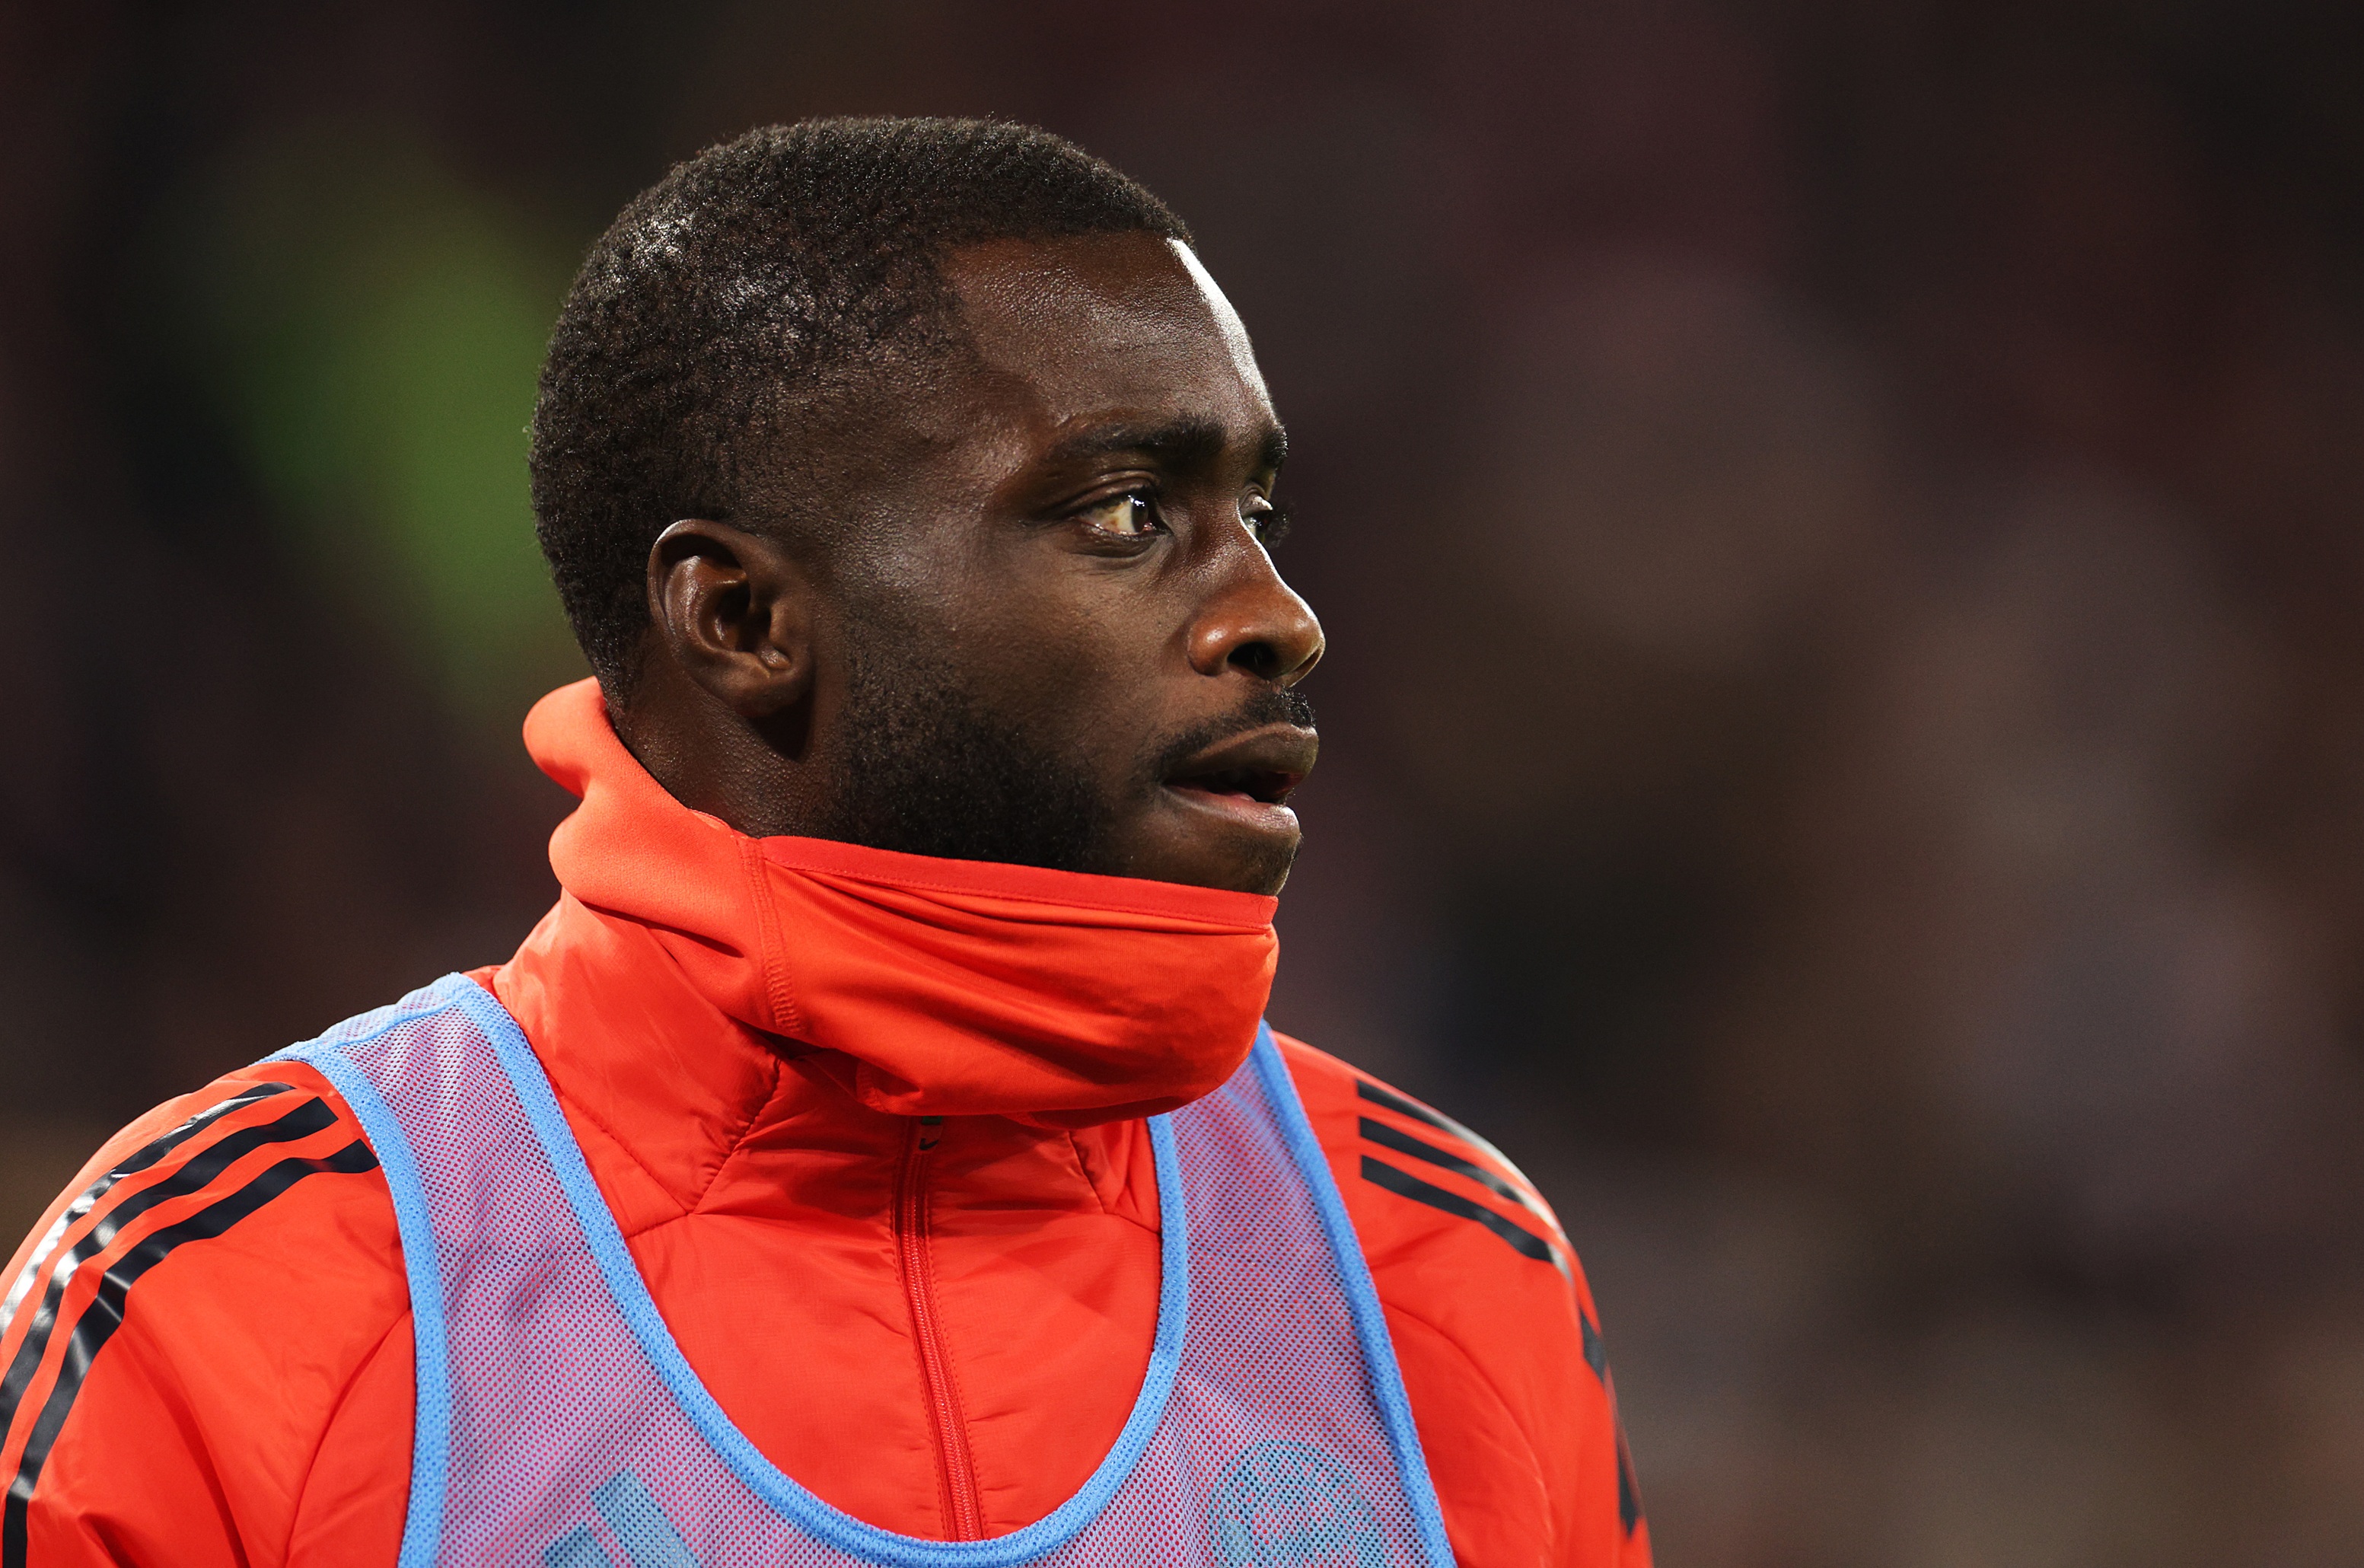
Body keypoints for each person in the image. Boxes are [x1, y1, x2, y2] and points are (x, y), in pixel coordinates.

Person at [0, 118, 1648, 1568]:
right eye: (1127, 512)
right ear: (742, 617)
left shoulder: (1443, 1269)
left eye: (1254, 519)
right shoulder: (218, 1306)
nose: (1274, 619)